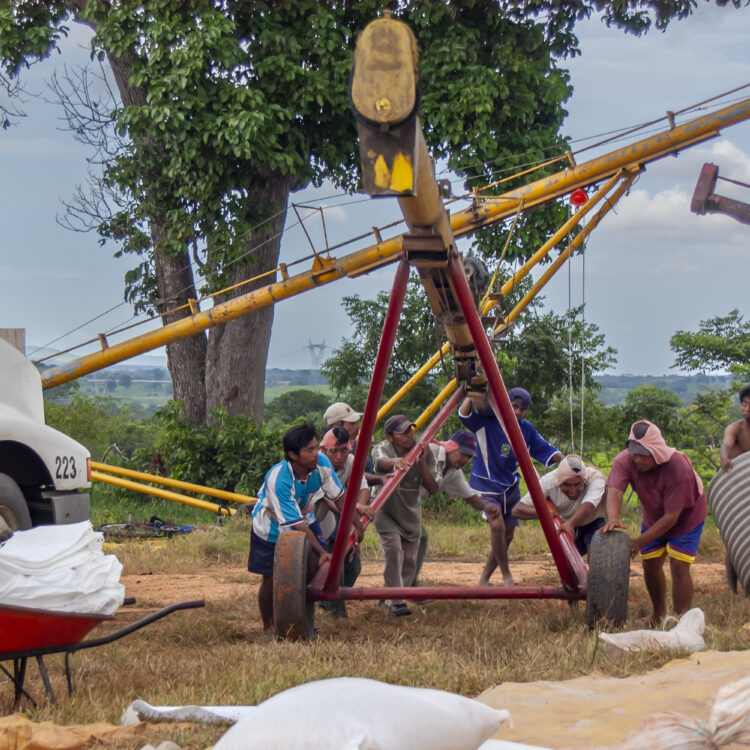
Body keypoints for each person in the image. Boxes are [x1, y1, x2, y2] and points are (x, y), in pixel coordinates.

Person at [603, 420, 707, 627]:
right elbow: (614, 491)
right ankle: (658, 615)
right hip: (654, 514)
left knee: (679, 566)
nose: (638, 459)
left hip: (686, 517)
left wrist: (638, 542)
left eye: (644, 454)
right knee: (650, 564)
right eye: (635, 453)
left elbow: (672, 517)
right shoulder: (624, 461)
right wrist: (613, 519)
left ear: (657, 452)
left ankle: (681, 621)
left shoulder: (678, 466)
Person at [459, 387, 563, 586]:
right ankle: (507, 575)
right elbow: (464, 415)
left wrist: (570, 462)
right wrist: (471, 392)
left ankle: (484, 579)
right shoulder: (487, 421)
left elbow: (547, 451)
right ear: (505, 404)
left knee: (507, 534)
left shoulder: (526, 429)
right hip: (485, 484)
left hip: (510, 486)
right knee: (496, 524)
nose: (517, 412)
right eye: (514, 406)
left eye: (522, 409)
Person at [248, 423, 342, 636]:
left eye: (316, 447)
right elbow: (294, 525)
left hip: (304, 517)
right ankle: (269, 626)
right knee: (271, 578)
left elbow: (339, 497)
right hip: (271, 528)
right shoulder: (279, 478)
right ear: (293, 454)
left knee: (313, 568)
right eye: (309, 450)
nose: (316, 454)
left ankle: (302, 621)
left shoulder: (322, 464)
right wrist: (322, 550)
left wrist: (353, 522)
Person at [371, 414, 439, 616]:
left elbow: (433, 488)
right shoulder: (383, 447)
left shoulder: (423, 452)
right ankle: (398, 602)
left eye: (411, 430)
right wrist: (395, 462)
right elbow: (380, 462)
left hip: (410, 512)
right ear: (390, 437)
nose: (410, 435)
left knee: (409, 560)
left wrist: (422, 463)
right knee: (394, 551)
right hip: (386, 509)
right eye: (403, 432)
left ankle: (390, 598)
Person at [414, 430, 501, 585]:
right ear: (451, 447)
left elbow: (470, 497)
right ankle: (401, 588)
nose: (465, 459)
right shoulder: (430, 451)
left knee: (418, 539)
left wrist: (488, 508)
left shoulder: (454, 472)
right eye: (463, 454)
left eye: (469, 457)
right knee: (409, 541)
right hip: (395, 497)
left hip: (411, 504)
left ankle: (406, 586)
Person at [315, 426, 374, 618]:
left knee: (354, 568)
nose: (340, 456)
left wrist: (361, 506)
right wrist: (356, 515)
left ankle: (327, 600)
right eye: (335, 451)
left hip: (342, 519)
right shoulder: (319, 464)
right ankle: (336, 612)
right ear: (324, 450)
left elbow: (363, 489)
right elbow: (330, 501)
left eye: (344, 450)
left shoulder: (351, 461)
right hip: (317, 522)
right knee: (334, 567)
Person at [512, 454, 605, 557]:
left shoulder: (595, 478)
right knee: (570, 564)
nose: (573, 490)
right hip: (567, 521)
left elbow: (589, 507)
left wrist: (570, 524)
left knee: (597, 557)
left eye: (578, 484)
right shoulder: (548, 482)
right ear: (559, 482)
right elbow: (517, 510)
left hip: (594, 519)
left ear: (584, 481)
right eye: (567, 485)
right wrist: (543, 513)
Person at [720, 384, 750, 472]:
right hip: (737, 478)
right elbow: (726, 445)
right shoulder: (735, 428)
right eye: (744, 405)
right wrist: (724, 458)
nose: (747, 409)